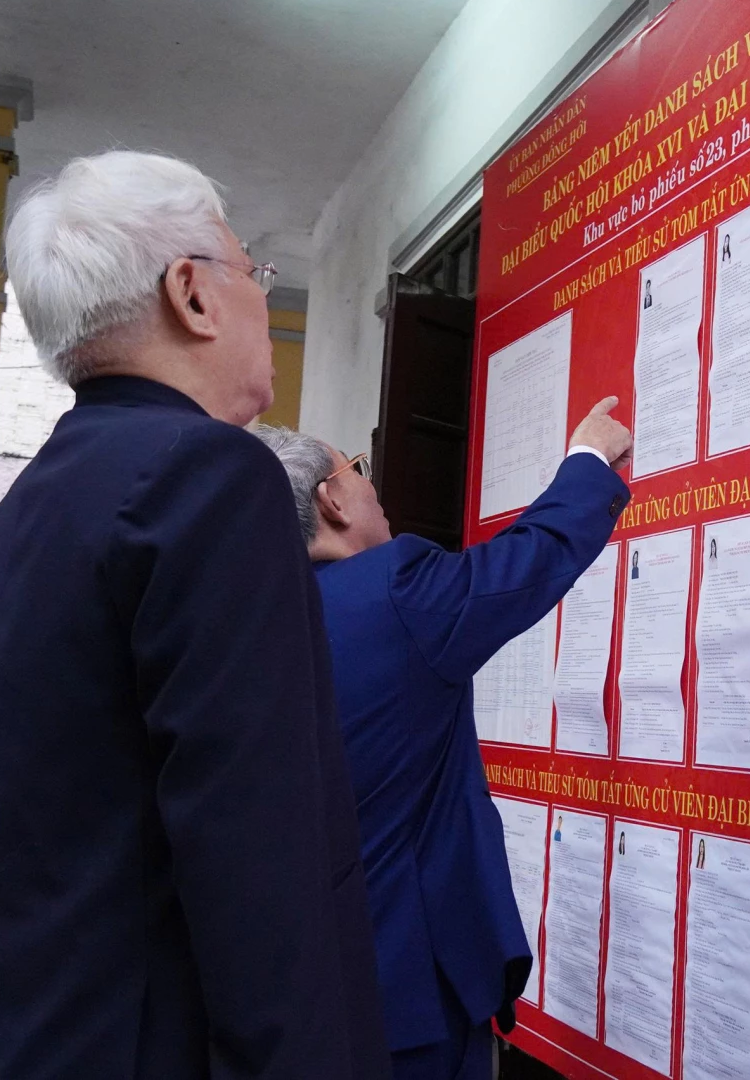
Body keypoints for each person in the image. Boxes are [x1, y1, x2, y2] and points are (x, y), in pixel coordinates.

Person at [0, 151, 390, 1079]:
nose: (262, 300)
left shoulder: (10, 521)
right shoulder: (212, 478)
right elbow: (255, 841)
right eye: (254, 272)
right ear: (191, 293)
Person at [253, 397, 632, 1080]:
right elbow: (526, 561)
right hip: (405, 994)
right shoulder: (389, 591)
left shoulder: (249, 624)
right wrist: (589, 457)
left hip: (286, 988)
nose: (373, 486)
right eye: (359, 469)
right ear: (332, 500)